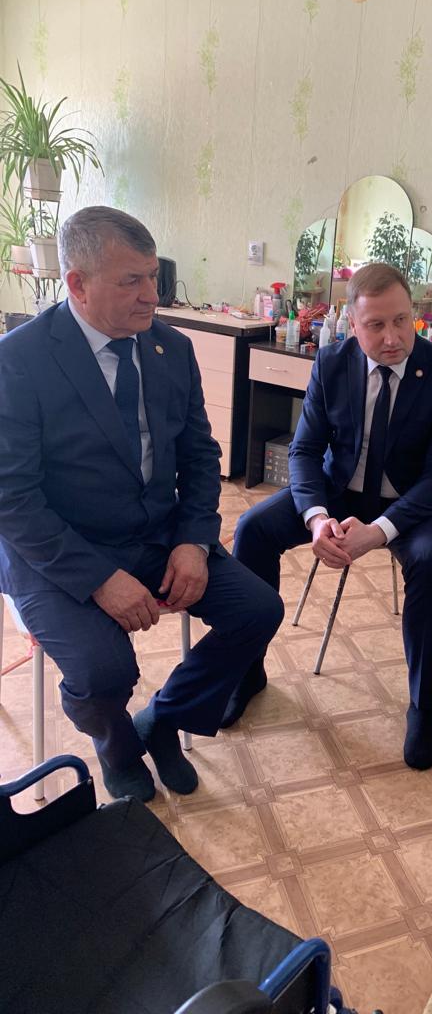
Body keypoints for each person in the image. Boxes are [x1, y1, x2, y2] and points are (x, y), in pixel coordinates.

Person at [0, 206, 284, 802]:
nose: (152, 295)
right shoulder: (18, 361)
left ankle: (162, 719)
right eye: (131, 280)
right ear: (77, 284)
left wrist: (194, 541)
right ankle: (118, 748)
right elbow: (12, 498)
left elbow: (201, 457)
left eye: (154, 276)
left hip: (155, 532)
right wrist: (100, 579)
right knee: (104, 671)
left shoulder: (170, 348)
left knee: (258, 610)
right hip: (56, 550)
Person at [230, 263, 432, 769]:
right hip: (338, 492)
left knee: (431, 565)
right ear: (352, 325)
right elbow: (304, 450)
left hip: (409, 502)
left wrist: (379, 532)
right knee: (253, 529)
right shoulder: (332, 362)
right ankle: (248, 670)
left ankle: (422, 706)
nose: (393, 337)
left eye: (402, 320)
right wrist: (317, 518)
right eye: (376, 325)